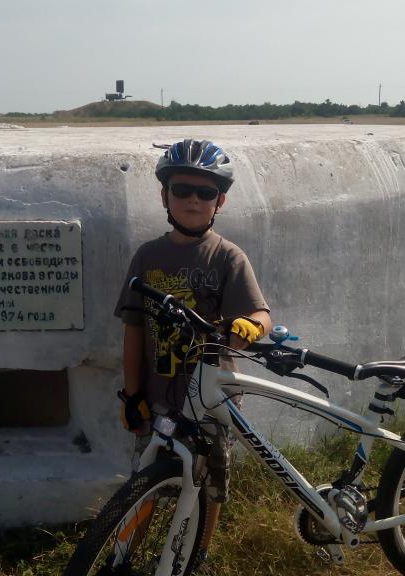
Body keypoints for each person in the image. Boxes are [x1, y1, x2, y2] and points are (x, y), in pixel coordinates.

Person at [113, 138, 273, 566]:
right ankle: (123, 555)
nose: (193, 200)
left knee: (210, 482)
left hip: (213, 402)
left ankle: (195, 554)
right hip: (158, 398)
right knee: (143, 482)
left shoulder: (227, 256)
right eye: (182, 189)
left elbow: (261, 314)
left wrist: (251, 327)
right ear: (164, 195)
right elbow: (133, 329)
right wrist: (132, 394)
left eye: (206, 192)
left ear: (220, 201)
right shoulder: (147, 257)